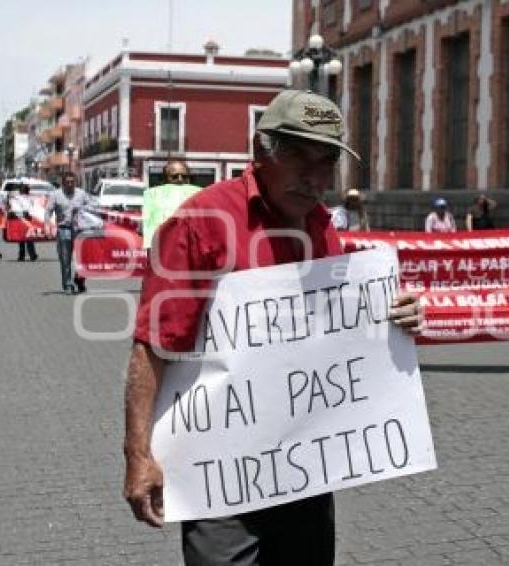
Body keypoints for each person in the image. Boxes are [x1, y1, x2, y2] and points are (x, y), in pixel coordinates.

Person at [122, 89, 423, 566]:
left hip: (304, 469)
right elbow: (153, 346)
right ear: (262, 151)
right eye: (301, 157)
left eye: (327, 162)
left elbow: (335, 329)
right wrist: (138, 455)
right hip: (221, 475)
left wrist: (393, 316)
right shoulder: (201, 223)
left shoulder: (322, 226)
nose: (316, 177)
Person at [45, 171, 93, 294]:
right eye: (68, 182)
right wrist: (47, 226)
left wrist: (85, 209)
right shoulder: (55, 195)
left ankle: (79, 279)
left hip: (80, 231)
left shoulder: (82, 194)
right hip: (64, 229)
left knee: (83, 259)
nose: (70, 184)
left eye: (72, 182)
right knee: (65, 259)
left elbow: (91, 207)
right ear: (63, 183)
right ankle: (67, 284)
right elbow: (48, 211)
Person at [7, 184, 40, 262]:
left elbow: (12, 208)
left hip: (22, 219)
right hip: (26, 219)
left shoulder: (19, 198)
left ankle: (23, 255)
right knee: (28, 238)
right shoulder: (29, 198)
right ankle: (31, 255)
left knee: (22, 238)